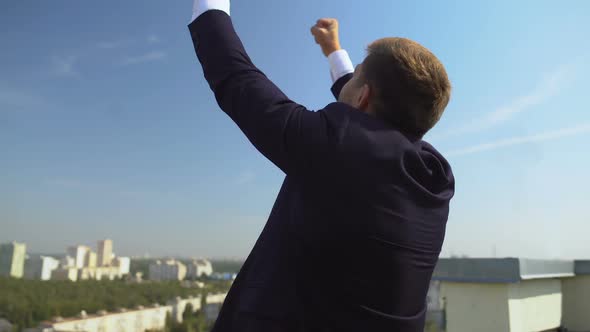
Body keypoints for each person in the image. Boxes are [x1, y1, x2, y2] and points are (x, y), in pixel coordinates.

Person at [188, 1, 454, 331]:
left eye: (356, 76)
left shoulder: (339, 150)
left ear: (363, 97)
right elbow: (369, 110)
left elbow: (236, 77)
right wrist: (333, 51)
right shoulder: (432, 179)